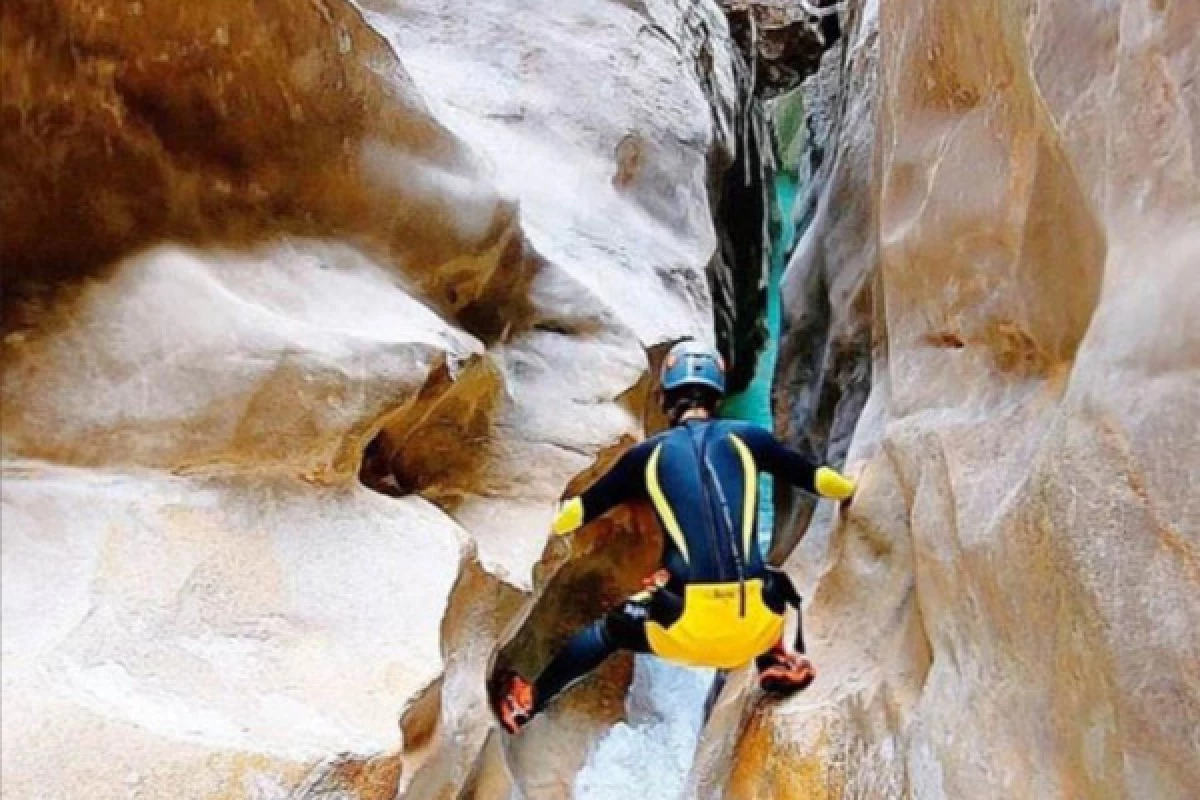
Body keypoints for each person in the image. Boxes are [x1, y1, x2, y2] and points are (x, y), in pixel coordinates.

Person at [492, 340, 857, 734]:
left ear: (666, 396)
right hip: (758, 627)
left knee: (609, 631)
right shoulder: (751, 439)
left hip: (684, 632)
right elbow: (823, 481)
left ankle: (531, 699)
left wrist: (525, 515)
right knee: (768, 577)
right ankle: (774, 659)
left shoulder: (645, 457)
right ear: (717, 394)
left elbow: (577, 514)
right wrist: (855, 484)